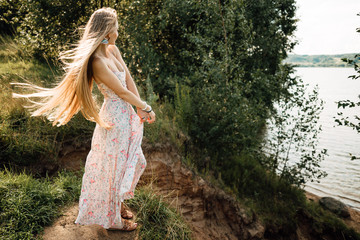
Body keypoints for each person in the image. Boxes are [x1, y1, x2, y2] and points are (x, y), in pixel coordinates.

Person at [11, 7, 155, 231]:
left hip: (127, 114)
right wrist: (146, 106)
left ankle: (117, 204)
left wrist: (138, 109)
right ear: (108, 30)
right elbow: (121, 92)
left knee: (132, 161)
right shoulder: (97, 61)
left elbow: (129, 80)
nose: (118, 30)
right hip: (114, 118)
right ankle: (114, 220)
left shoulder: (113, 50)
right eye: (116, 26)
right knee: (113, 166)